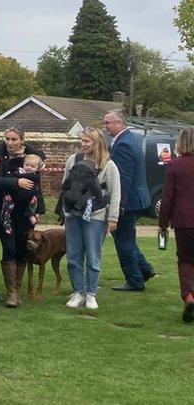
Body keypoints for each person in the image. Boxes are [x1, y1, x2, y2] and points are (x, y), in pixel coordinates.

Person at [0, 125, 47, 307]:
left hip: (26, 212)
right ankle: (11, 292)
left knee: (23, 249)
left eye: (14, 139)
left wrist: (39, 209)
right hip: (4, 211)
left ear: (22, 140)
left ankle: (17, 290)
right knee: (9, 248)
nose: (9, 142)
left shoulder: (32, 157)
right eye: (7, 139)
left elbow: (38, 185)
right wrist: (16, 182)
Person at [63, 127, 120, 310]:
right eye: (82, 141)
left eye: (87, 141)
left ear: (97, 142)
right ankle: (78, 291)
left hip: (96, 216)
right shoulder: (73, 160)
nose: (83, 144)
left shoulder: (108, 165)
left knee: (93, 257)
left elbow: (115, 193)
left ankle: (91, 293)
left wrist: (113, 218)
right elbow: (65, 186)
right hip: (73, 214)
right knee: (73, 255)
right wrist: (64, 209)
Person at [103, 110, 157, 291]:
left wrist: (119, 204)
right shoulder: (132, 139)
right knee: (127, 238)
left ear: (119, 123)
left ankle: (134, 280)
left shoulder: (124, 144)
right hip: (138, 197)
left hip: (129, 200)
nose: (105, 126)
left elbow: (122, 178)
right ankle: (145, 269)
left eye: (107, 122)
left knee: (122, 240)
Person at [158, 128, 194, 322]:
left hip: (184, 221)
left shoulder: (175, 166)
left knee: (186, 260)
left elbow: (168, 198)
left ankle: (188, 296)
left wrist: (163, 223)